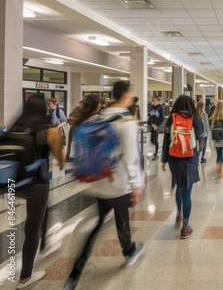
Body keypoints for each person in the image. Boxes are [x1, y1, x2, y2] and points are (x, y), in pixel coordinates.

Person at [64, 83, 145, 290]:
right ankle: (129, 251)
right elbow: (131, 157)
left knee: (100, 222)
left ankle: (75, 272)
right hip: (117, 183)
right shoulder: (126, 121)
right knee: (121, 218)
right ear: (126, 95)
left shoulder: (100, 116)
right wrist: (136, 185)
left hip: (98, 180)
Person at [9, 95, 63, 289]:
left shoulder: (15, 127)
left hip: (14, 183)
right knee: (32, 229)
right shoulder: (46, 130)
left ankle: (43, 237)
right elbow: (60, 159)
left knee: (40, 213)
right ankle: (25, 277)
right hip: (36, 185)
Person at [161, 95, 204, 239]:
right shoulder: (195, 119)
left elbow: (166, 141)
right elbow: (201, 140)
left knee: (179, 184)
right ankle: (185, 228)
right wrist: (198, 155)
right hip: (189, 157)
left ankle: (179, 212)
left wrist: (163, 160)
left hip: (173, 158)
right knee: (187, 192)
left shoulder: (171, 119)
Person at [148, 95, 164, 160]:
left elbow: (162, 117)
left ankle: (156, 153)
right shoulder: (151, 107)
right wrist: (151, 123)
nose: (154, 102)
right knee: (152, 140)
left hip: (157, 126)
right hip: (152, 125)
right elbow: (151, 116)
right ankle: (154, 152)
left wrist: (157, 125)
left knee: (155, 139)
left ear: (158, 101)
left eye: (155, 101)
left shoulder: (160, 108)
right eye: (153, 101)